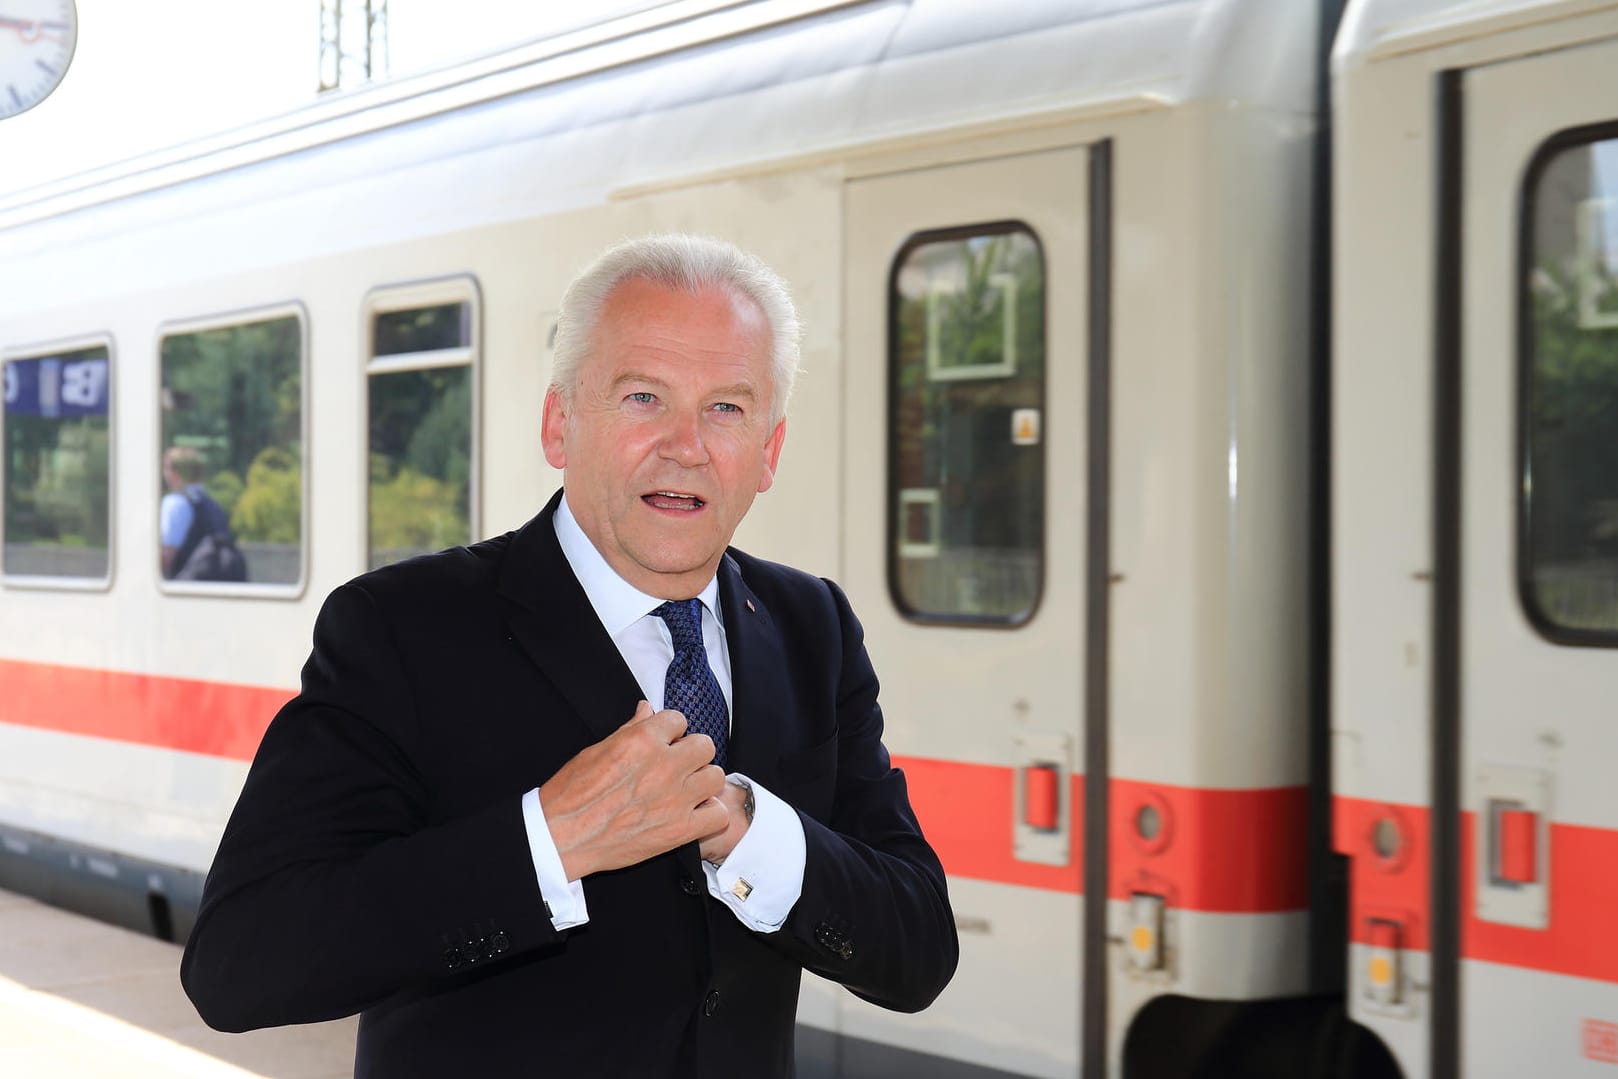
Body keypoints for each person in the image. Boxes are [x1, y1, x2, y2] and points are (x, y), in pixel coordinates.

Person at [179, 235, 958, 1077]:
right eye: (643, 397)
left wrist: (744, 827)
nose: (687, 444)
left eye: (727, 408)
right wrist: (546, 842)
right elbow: (237, 963)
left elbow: (917, 950)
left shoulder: (814, 625)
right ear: (561, 423)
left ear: (768, 453)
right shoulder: (400, 628)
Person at [160, 446, 246, 581]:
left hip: (183, 593)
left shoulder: (174, 504)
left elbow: (165, 556)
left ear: (175, 473)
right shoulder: (213, 506)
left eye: (165, 468)